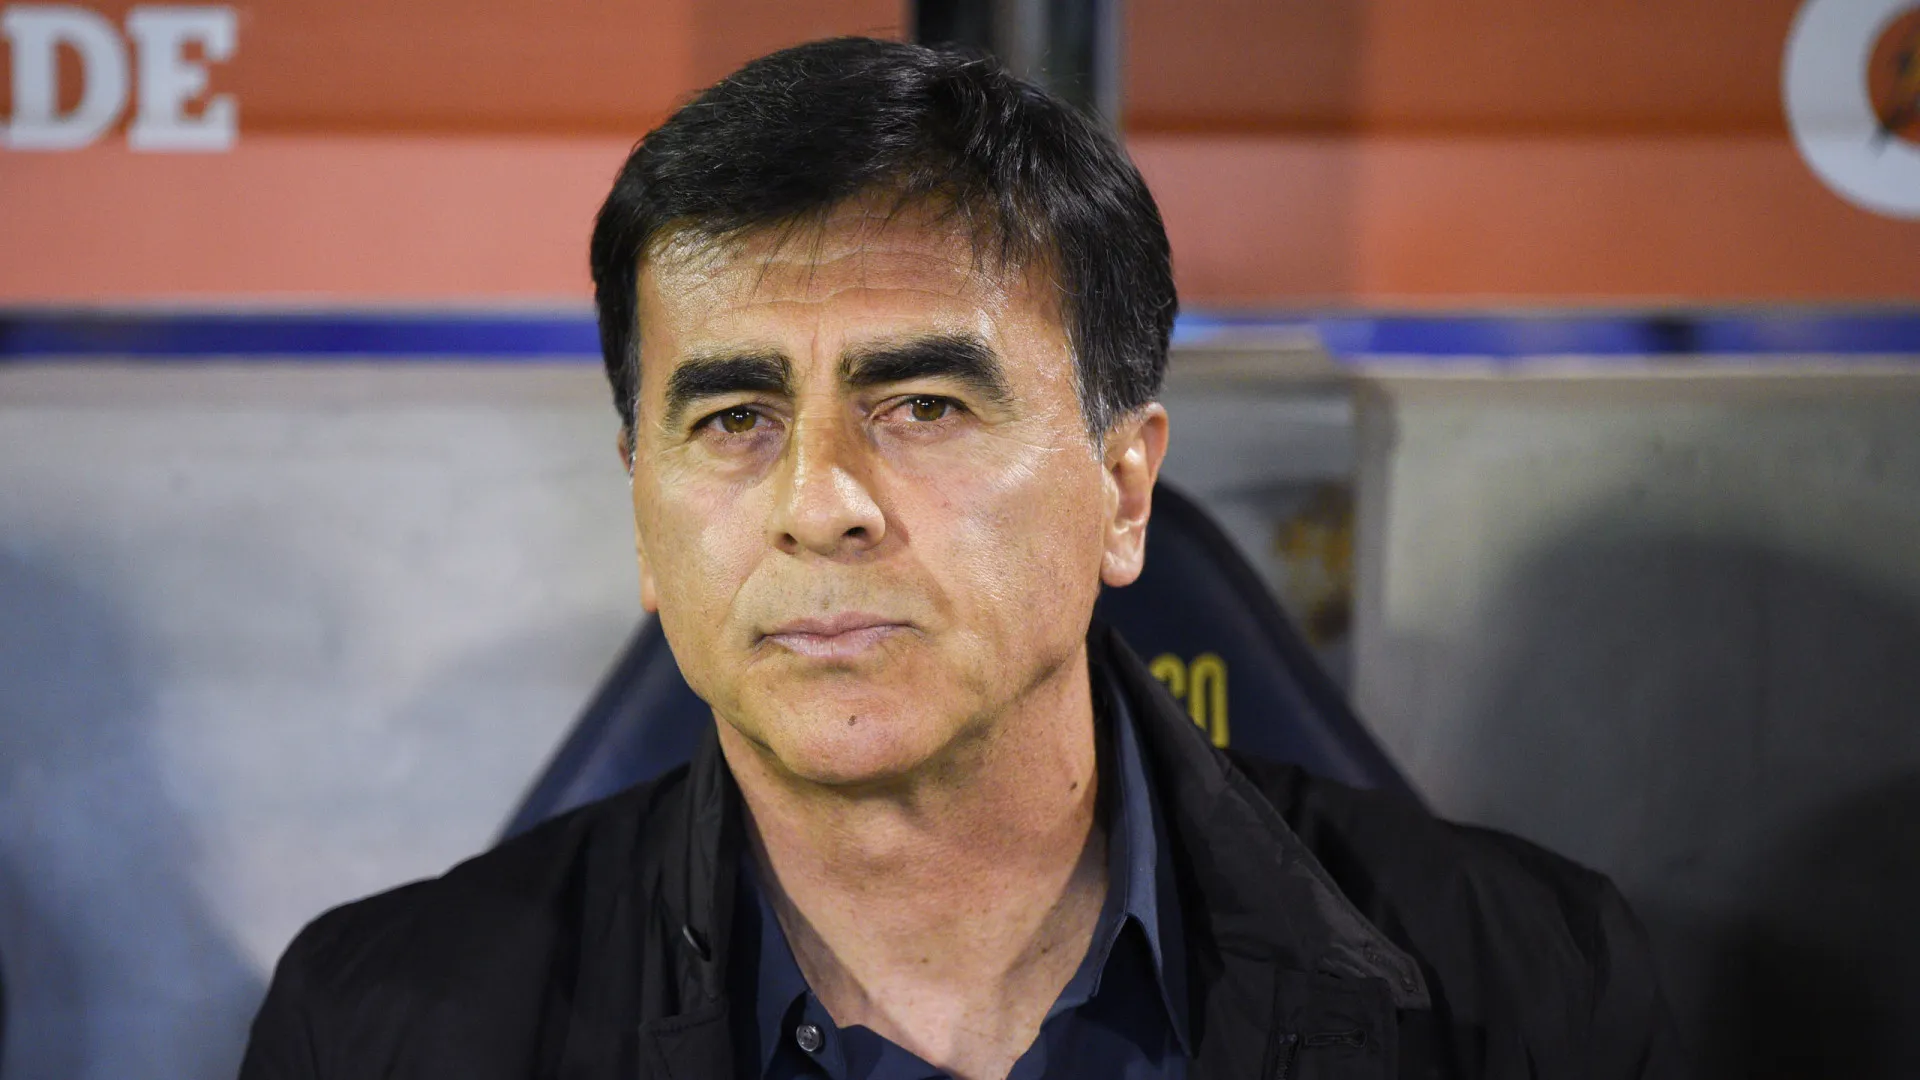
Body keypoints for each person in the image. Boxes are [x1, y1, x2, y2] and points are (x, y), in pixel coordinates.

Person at [238, 36, 1682, 1080]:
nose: (822, 503)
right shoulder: (382, 1029)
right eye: (735, 419)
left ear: (1124, 491)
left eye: (923, 406)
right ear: (643, 517)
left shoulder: (1527, 990)